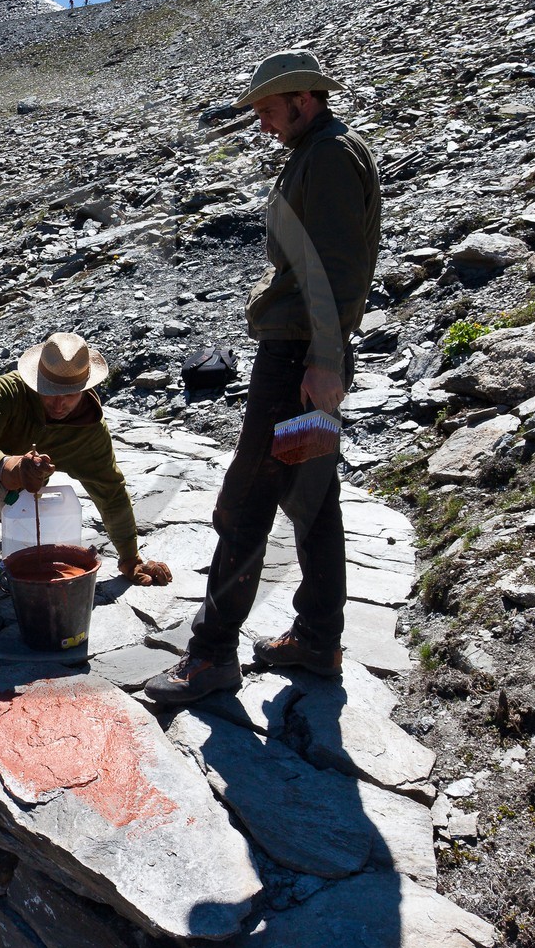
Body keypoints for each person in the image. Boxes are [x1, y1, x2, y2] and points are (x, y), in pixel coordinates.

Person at [145, 49, 381, 704]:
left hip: (296, 363)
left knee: (244, 504)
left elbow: (333, 268)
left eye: (269, 110)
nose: (261, 125)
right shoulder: (321, 149)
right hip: (305, 357)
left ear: (304, 98)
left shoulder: (330, 156)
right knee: (311, 501)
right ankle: (315, 639)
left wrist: (323, 361)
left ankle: (211, 655)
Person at [0, 333, 172, 587]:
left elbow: (111, 494)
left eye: (69, 395)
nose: (58, 405)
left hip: (24, 499)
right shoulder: (9, 390)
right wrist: (9, 466)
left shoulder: (89, 431)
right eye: (50, 392)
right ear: (36, 380)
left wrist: (130, 558)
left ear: (86, 387)